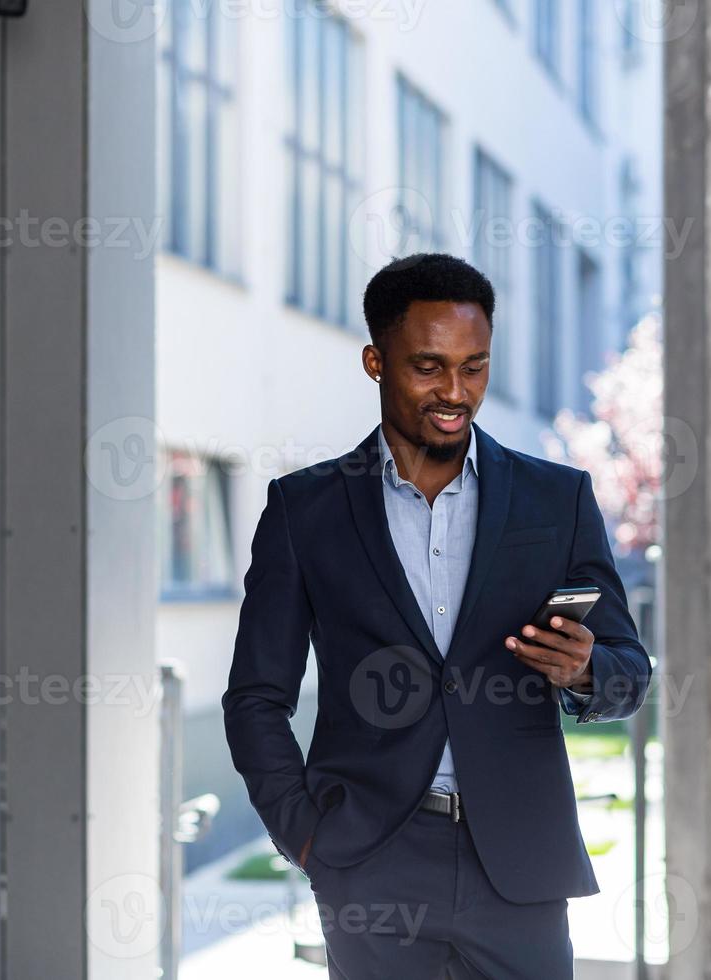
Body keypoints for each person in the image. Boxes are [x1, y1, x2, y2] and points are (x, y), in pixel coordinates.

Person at [222, 252, 653, 979]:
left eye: (475, 367)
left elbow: (629, 671)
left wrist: (584, 668)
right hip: (371, 861)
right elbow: (256, 697)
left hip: (519, 866)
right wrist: (303, 836)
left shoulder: (557, 500)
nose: (456, 391)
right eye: (428, 367)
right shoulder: (306, 511)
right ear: (376, 362)